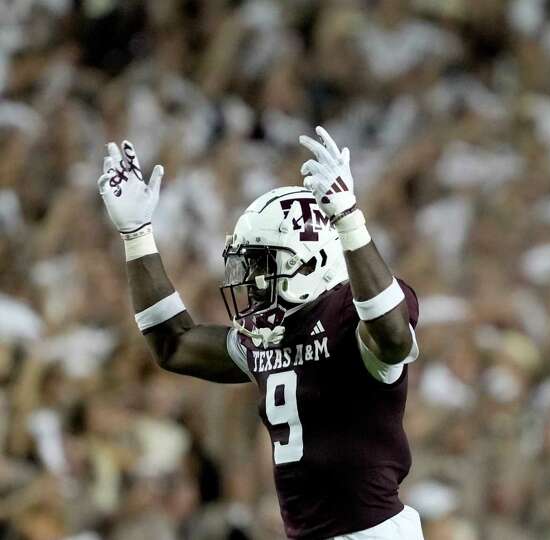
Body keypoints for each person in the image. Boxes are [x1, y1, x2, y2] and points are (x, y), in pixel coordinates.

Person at [95, 127, 425, 540]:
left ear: (311, 260)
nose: (251, 280)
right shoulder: (267, 335)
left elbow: (392, 336)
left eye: (263, 264)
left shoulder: (348, 315)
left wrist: (349, 220)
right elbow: (174, 344)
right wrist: (137, 236)